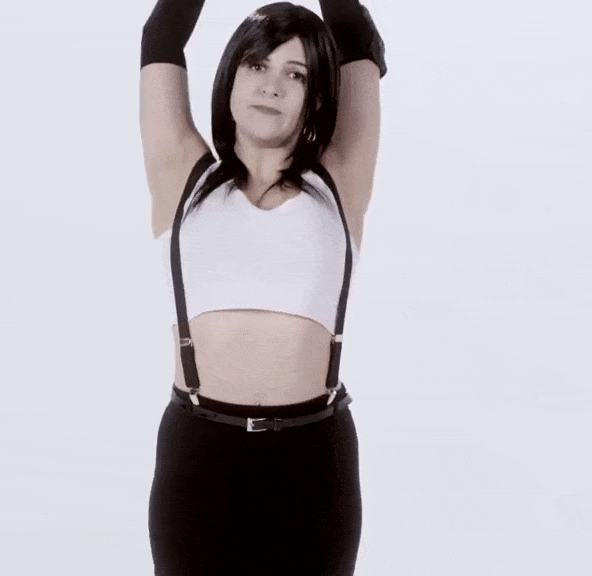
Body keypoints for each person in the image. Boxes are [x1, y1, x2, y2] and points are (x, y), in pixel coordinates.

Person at [140, 1, 386, 573]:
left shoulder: (341, 179)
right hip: (198, 457)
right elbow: (162, 33)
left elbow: (355, 36)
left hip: (312, 460)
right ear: (231, 76)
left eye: (295, 74)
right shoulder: (182, 174)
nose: (271, 85)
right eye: (257, 65)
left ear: (315, 97)